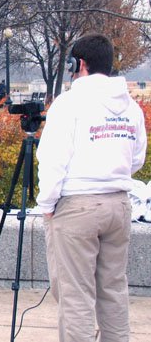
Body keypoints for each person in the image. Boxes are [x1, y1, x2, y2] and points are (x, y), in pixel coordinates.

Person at [36, 34, 147, 342]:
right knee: (113, 290)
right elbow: (136, 158)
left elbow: (53, 160)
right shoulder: (130, 106)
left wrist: (46, 206)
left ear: (78, 64)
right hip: (119, 204)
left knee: (75, 297)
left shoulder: (69, 104)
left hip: (77, 208)